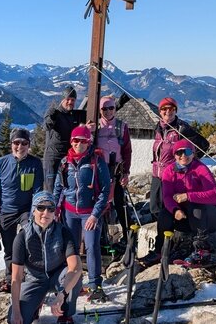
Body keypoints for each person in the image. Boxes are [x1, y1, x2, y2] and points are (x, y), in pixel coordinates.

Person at [139, 140, 216, 268]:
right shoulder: (169, 171)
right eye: (179, 152)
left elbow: (214, 195)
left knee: (195, 205)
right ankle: (160, 250)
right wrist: (175, 210)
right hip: (185, 217)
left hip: (209, 217)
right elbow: (167, 196)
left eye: (187, 152)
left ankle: (202, 251)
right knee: (164, 214)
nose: (183, 155)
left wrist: (188, 196)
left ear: (193, 153)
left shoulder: (200, 169)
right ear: (174, 155)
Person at [53, 125, 111, 301]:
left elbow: (105, 189)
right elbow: (59, 187)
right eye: (76, 140)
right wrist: (55, 208)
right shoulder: (65, 163)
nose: (79, 144)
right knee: (71, 250)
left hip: (90, 212)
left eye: (83, 141)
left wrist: (95, 215)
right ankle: (74, 284)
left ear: (89, 142)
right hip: (70, 212)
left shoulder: (96, 161)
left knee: (92, 247)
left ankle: (95, 285)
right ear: (71, 141)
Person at [8, 192, 82, 324]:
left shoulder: (63, 232)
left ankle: (65, 314)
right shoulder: (22, 237)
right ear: (33, 210)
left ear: (54, 213)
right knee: (16, 319)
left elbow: (75, 267)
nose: (45, 212)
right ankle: (34, 307)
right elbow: (16, 277)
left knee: (75, 278)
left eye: (50, 208)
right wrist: (16, 311)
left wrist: (61, 295)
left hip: (57, 276)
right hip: (34, 279)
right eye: (41, 207)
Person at [0, 128, 44, 292]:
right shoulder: (1, 163)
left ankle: (32, 276)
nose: (20, 146)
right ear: (11, 144)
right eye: (16, 143)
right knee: (9, 249)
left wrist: (36, 213)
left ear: (29, 145)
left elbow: (38, 190)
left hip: (26, 211)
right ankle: (11, 280)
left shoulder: (35, 163)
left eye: (24, 143)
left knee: (30, 241)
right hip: (6, 212)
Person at [149, 97, 209, 217]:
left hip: (173, 176)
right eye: (164, 109)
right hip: (157, 175)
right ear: (160, 111)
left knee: (170, 208)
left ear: (175, 110)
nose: (168, 112)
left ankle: (173, 233)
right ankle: (159, 233)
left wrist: (188, 163)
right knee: (155, 208)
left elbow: (203, 145)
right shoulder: (158, 128)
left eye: (171, 109)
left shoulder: (182, 129)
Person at [92, 95, 133, 246]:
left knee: (120, 202)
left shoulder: (122, 126)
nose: (108, 111)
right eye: (104, 108)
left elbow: (127, 151)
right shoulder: (95, 126)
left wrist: (126, 172)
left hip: (117, 170)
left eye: (111, 108)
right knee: (101, 203)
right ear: (100, 109)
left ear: (115, 108)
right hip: (100, 171)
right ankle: (101, 236)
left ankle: (128, 235)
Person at [43, 85, 86, 192]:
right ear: (63, 99)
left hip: (68, 157)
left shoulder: (77, 115)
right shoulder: (54, 112)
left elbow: (101, 114)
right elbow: (46, 126)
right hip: (53, 158)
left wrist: (119, 103)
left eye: (73, 100)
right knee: (50, 187)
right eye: (68, 99)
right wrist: (51, 118)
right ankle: (49, 208)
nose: (70, 102)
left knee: (66, 187)